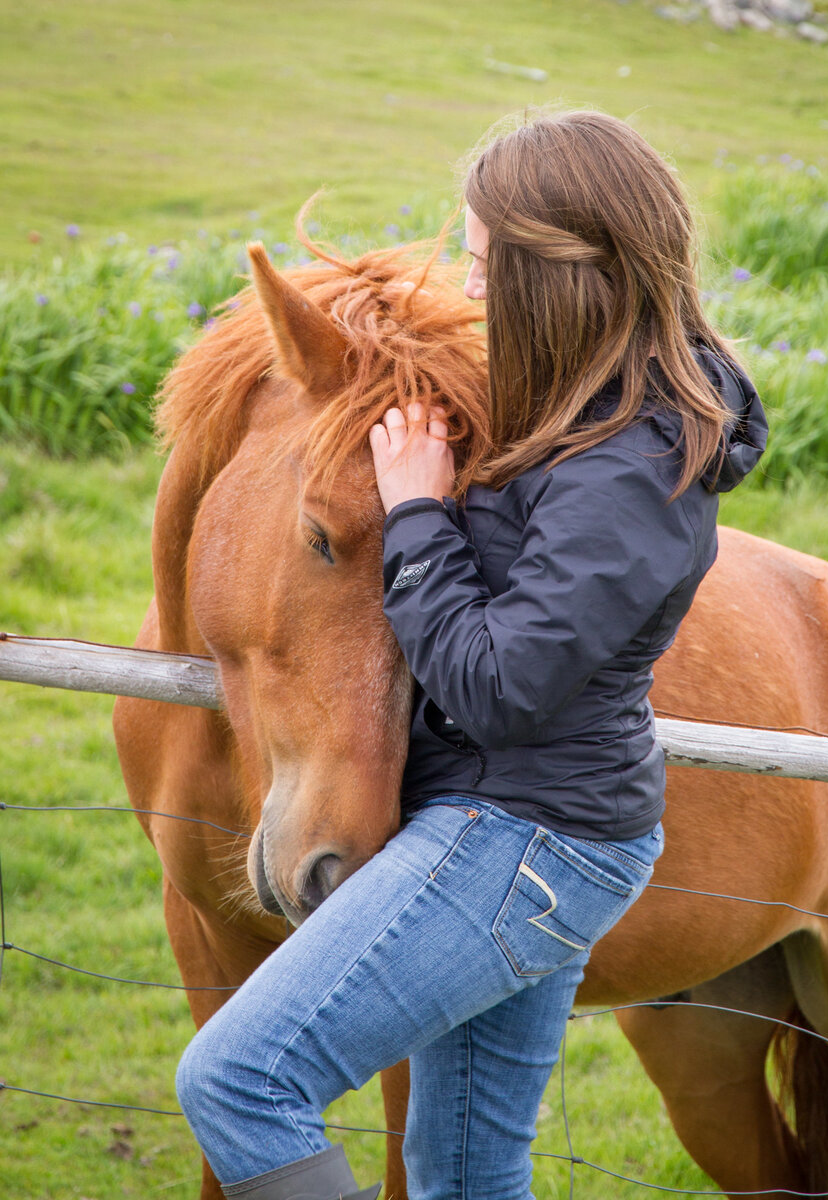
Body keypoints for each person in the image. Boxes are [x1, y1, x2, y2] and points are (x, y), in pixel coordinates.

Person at [175, 110, 767, 1200]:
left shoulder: (628, 469)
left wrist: (414, 514)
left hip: (526, 845)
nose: (477, 291)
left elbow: (502, 685)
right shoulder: (586, 419)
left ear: (559, 274)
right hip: (524, 834)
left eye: (491, 264)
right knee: (462, 1168)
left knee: (239, 1081)